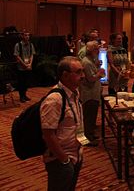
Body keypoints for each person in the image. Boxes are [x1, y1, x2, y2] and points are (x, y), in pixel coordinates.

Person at [40, 56, 84, 191]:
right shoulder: (54, 100)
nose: (82, 76)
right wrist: (64, 160)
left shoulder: (74, 92)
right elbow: (48, 134)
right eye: (78, 72)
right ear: (65, 75)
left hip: (75, 155)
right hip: (60, 159)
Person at [79, 41, 105, 146]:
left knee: (92, 116)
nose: (98, 51)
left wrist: (97, 66)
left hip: (93, 92)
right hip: (89, 94)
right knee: (89, 117)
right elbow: (91, 79)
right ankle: (87, 138)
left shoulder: (90, 60)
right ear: (91, 50)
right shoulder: (87, 62)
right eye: (96, 49)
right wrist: (99, 73)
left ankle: (90, 134)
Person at [14, 31, 36, 102]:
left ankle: (25, 95)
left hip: (28, 67)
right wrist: (24, 64)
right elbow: (17, 56)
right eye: (26, 35)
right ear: (22, 36)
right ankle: (21, 96)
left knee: (26, 82)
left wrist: (30, 64)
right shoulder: (18, 45)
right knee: (21, 82)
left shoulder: (31, 45)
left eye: (28, 35)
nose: (27, 37)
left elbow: (32, 55)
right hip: (21, 67)